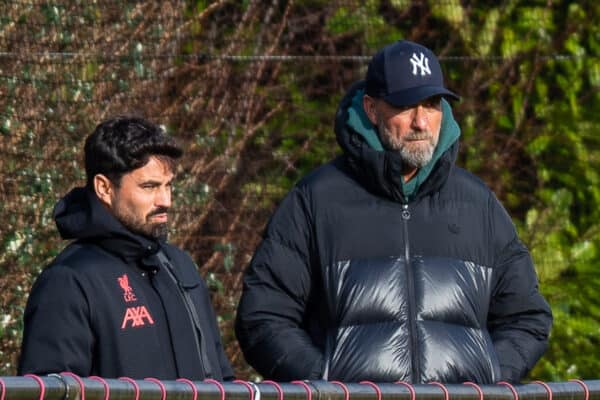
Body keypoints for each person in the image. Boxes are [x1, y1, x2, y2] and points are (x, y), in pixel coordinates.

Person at [235, 40, 552, 383]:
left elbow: (528, 318)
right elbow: (262, 317)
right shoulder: (315, 201)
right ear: (371, 109)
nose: (421, 122)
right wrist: (326, 382)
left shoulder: (478, 204)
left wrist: (487, 376)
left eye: (431, 104)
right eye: (405, 105)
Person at [18, 115, 234, 380]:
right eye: (149, 186)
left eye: (169, 186)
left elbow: (222, 380)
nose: (165, 200)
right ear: (104, 188)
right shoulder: (68, 281)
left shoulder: (180, 267)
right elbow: (48, 390)